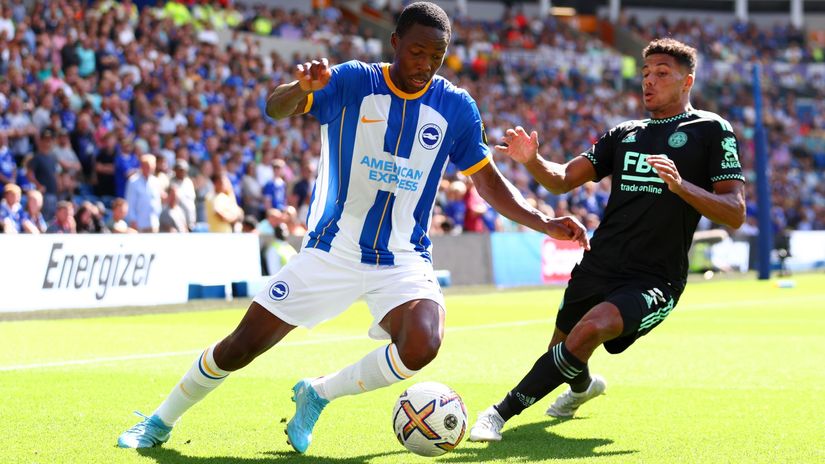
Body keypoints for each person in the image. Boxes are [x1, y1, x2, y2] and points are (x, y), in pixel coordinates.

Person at [116, 1, 588, 453]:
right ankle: (159, 422)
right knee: (241, 347)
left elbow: (487, 182)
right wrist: (301, 88)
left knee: (423, 342)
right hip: (331, 250)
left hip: (402, 258)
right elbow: (274, 108)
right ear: (395, 43)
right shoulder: (351, 81)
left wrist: (543, 221)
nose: (425, 65)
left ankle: (318, 394)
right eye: (417, 52)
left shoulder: (456, 108)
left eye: (437, 58)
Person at [468, 38, 746, 442]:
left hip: (655, 277)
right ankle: (582, 388)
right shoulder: (624, 133)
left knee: (590, 330)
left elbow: (734, 212)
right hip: (600, 264)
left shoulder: (711, 130)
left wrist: (681, 185)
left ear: (688, 81)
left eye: (662, 74)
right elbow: (562, 179)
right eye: (646, 73)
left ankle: (497, 413)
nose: (649, 82)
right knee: (564, 352)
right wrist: (532, 161)